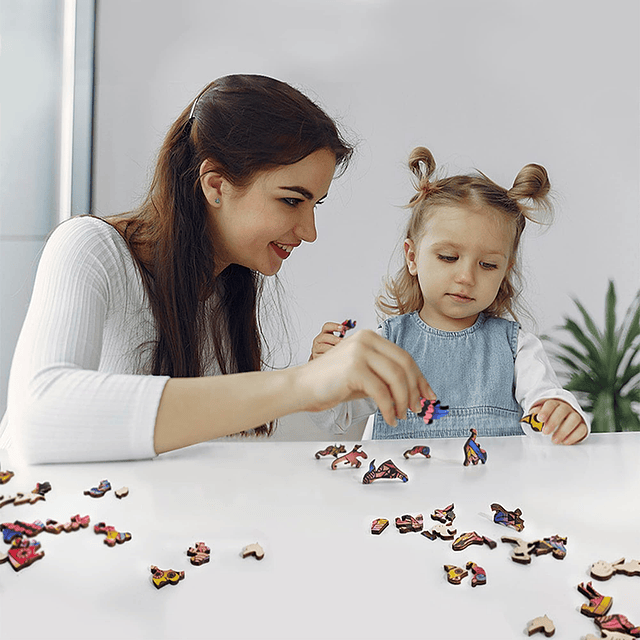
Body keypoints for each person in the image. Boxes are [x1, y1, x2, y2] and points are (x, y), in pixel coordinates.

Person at [0, 75, 435, 464]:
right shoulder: (89, 248)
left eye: (314, 204)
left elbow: (216, 429)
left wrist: (333, 397)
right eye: (291, 200)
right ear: (216, 185)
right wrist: (301, 384)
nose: (309, 231)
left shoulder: (227, 284)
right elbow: (39, 416)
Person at [309, 146, 589, 444]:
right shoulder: (387, 345)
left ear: (505, 270)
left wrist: (562, 413)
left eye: (488, 265)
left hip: (496, 490)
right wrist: (322, 372)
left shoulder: (517, 347)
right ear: (413, 257)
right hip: (403, 488)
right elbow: (334, 419)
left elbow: (545, 403)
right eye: (447, 257)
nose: (466, 277)